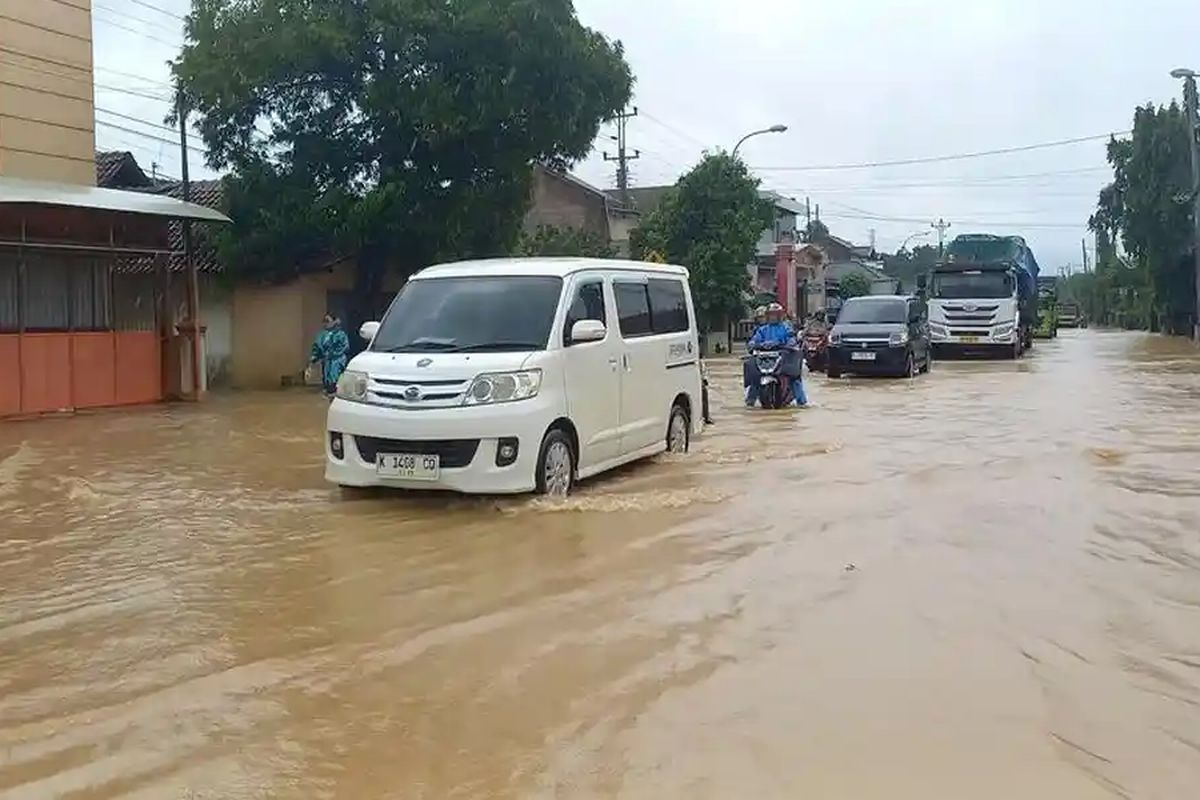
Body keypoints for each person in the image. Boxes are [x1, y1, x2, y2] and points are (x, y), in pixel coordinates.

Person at [745, 303, 807, 407]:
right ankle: (750, 402)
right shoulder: (762, 329)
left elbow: (791, 339)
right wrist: (753, 345)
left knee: (794, 378)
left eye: (775, 315)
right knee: (755, 378)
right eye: (771, 315)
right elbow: (754, 340)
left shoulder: (786, 328)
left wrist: (789, 344)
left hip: (782, 358)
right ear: (768, 316)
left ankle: (802, 402)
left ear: (780, 316)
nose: (773, 317)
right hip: (765, 359)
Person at [309, 313, 350, 396]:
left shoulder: (341, 334)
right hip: (327, 361)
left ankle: (335, 391)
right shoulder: (322, 335)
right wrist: (314, 357)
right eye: (324, 321)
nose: (325, 323)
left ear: (335, 322)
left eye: (327, 321)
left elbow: (344, 347)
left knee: (335, 378)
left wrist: (333, 354)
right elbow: (317, 348)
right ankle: (328, 390)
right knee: (326, 378)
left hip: (337, 360)